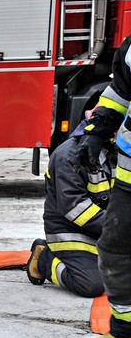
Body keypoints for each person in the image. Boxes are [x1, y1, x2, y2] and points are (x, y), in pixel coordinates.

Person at [80, 34, 131, 338]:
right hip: (129, 177)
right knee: (113, 249)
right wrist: (97, 130)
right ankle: (125, 327)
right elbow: (120, 93)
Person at [26, 119, 115, 297]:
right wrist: (118, 226)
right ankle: (44, 259)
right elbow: (75, 209)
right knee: (92, 284)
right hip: (70, 231)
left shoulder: (116, 152)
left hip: (105, 229)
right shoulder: (67, 156)